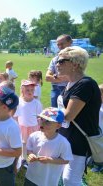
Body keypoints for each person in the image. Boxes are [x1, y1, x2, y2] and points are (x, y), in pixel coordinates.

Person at [56, 46, 101, 185]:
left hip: (79, 141)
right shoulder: (71, 83)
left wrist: (49, 113)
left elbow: (69, 115)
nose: (57, 63)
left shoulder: (85, 84)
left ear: (75, 64)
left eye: (62, 60)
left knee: (70, 180)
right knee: (63, 177)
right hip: (67, 136)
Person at [24, 107, 73, 186]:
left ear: (58, 125)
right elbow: (29, 149)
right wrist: (30, 154)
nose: (42, 123)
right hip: (31, 176)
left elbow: (66, 160)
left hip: (48, 180)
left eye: (47, 121)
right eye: (41, 119)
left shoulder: (63, 142)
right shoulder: (34, 136)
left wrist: (50, 160)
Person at [14, 80, 42, 166]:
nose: (30, 92)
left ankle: (34, 158)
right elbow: (16, 116)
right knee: (23, 143)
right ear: (22, 91)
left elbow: (40, 117)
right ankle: (23, 159)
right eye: (27, 90)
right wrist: (15, 126)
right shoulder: (19, 102)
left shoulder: (37, 103)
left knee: (34, 143)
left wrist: (40, 127)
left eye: (32, 90)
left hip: (33, 126)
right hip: (22, 126)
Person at [46, 34, 72, 107]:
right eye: (58, 45)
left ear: (70, 42)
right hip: (56, 90)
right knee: (55, 114)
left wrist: (55, 78)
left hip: (70, 89)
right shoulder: (55, 59)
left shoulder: (76, 59)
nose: (60, 46)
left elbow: (78, 77)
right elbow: (47, 77)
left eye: (62, 44)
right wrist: (65, 78)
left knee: (69, 115)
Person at [91, 84, 103, 172]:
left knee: (99, 149)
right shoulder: (96, 104)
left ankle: (99, 165)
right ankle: (94, 161)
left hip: (101, 132)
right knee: (95, 148)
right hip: (95, 130)